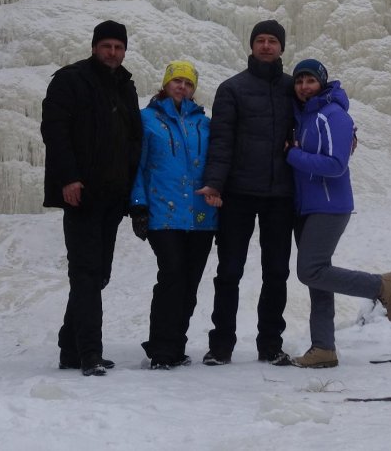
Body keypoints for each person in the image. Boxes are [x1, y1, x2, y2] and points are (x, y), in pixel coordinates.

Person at [41, 20, 142, 377]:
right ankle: (89, 353)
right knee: (85, 273)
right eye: (107, 46)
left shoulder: (125, 85)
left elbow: (133, 138)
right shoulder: (71, 79)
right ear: (95, 46)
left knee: (97, 275)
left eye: (118, 47)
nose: (112, 53)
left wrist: (132, 190)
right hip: (81, 194)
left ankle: (70, 348)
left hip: (113, 197)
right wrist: (68, 178)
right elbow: (55, 131)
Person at [286, 57, 391, 368]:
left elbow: (336, 166)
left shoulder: (332, 115)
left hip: (329, 206)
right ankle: (323, 348)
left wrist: (292, 155)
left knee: (309, 271)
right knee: (319, 278)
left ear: (322, 82)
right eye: (299, 81)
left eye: (310, 80)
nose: (304, 86)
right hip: (307, 207)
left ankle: (379, 285)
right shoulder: (307, 116)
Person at [196, 20, 295, 366]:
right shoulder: (232, 89)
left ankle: (270, 344)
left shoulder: (292, 88)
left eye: (272, 41)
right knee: (229, 272)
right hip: (238, 193)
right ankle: (221, 345)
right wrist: (215, 183)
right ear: (251, 46)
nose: (266, 46)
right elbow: (221, 142)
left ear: (282, 47)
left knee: (277, 272)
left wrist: (349, 133)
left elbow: (320, 114)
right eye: (260, 41)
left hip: (281, 195)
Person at [129, 60, 217, 370]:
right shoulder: (146, 120)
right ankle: (161, 349)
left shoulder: (204, 125)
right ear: (165, 84)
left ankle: (176, 345)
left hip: (201, 216)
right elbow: (136, 166)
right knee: (172, 275)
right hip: (162, 213)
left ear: (194, 90)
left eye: (188, 83)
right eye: (176, 80)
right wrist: (137, 205)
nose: (182, 86)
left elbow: (218, 165)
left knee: (190, 281)